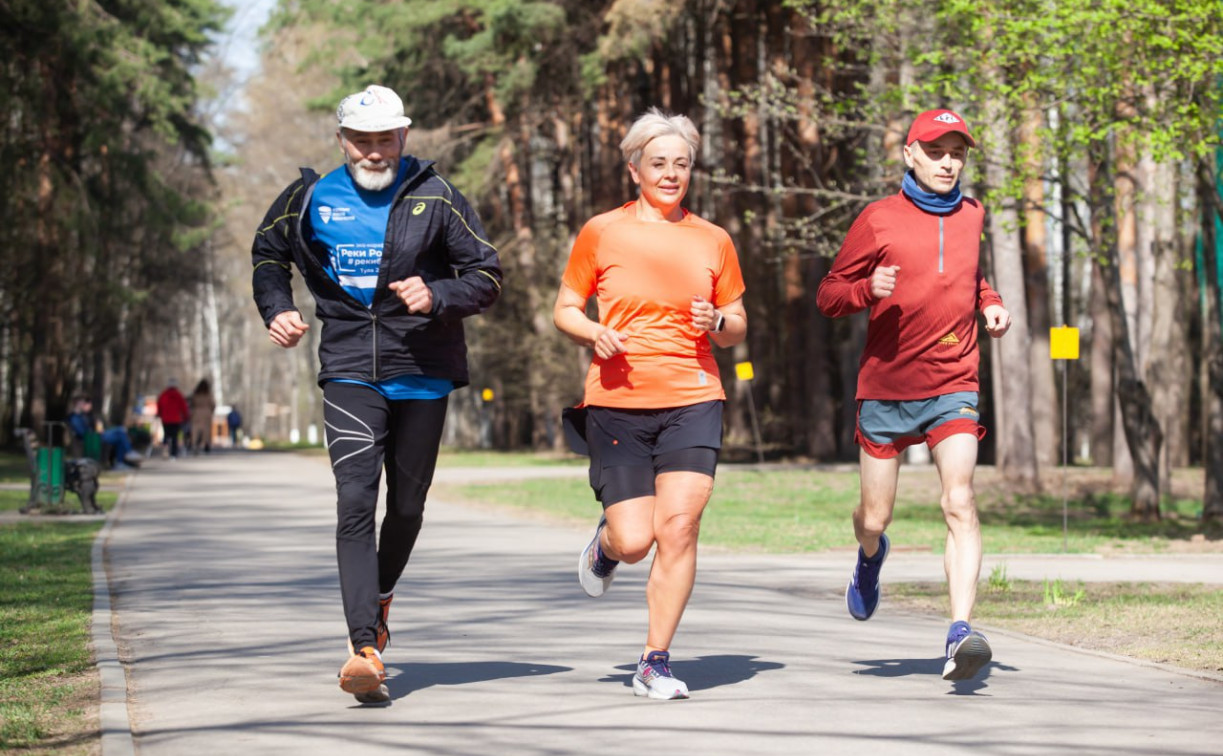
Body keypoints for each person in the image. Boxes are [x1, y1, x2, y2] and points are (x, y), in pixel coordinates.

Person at [251, 84, 502, 703]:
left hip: (422, 368)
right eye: (361, 140)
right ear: (342, 140)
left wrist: (438, 295)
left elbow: (488, 274)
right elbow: (267, 253)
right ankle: (364, 646)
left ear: (403, 137)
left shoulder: (436, 196)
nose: (373, 151)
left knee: (408, 507)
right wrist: (277, 307)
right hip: (348, 369)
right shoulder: (309, 197)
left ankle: (381, 599)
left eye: (384, 139)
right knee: (355, 502)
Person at [553, 108, 747, 700]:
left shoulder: (713, 239)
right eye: (659, 163)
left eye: (681, 164)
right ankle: (607, 546)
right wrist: (594, 332)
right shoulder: (602, 231)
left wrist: (717, 321)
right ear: (634, 168)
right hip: (618, 401)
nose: (670, 174)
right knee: (636, 540)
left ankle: (654, 661)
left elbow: (737, 323)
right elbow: (565, 309)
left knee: (680, 527)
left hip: (694, 397)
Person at [815, 108, 1012, 682]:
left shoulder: (974, 214)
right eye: (935, 151)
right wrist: (864, 288)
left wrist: (991, 303)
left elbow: (970, 276)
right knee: (874, 518)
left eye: (957, 153)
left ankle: (960, 631)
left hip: (954, 379)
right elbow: (828, 294)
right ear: (910, 154)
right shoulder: (878, 219)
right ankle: (870, 555)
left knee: (960, 500)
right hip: (887, 388)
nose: (948, 163)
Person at [67, 396, 141, 470]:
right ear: (77, 404)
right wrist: (95, 432)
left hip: (95, 436)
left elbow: (92, 427)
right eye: (83, 403)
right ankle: (127, 453)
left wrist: (96, 427)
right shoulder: (75, 418)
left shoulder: (83, 415)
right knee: (120, 431)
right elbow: (83, 433)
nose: (84, 405)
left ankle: (121, 462)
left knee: (120, 435)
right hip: (93, 439)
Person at [155, 379, 190, 459]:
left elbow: (159, 405)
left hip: (166, 419)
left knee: (166, 435)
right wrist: (186, 417)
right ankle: (173, 454)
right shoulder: (178, 395)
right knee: (174, 436)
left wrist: (159, 413)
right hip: (176, 419)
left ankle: (165, 450)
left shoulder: (164, 394)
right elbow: (183, 407)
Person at [189, 379, 217, 454]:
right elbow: (213, 404)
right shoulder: (208, 394)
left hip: (196, 413)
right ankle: (206, 444)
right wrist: (211, 411)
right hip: (206, 413)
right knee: (206, 430)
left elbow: (192, 403)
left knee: (196, 430)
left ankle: (195, 444)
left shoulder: (196, 394)